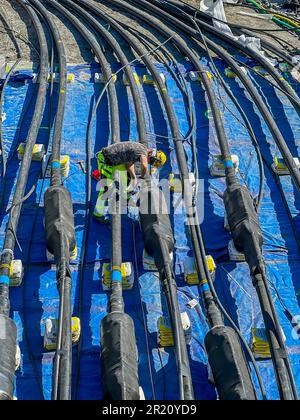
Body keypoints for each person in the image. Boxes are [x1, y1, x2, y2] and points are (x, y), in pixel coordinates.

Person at [93, 141, 166, 222]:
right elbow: (144, 166)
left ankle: (125, 196)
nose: (149, 163)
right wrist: (142, 178)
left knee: (127, 177)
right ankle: (98, 214)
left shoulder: (139, 150)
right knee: (106, 190)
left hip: (117, 161)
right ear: (151, 155)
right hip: (106, 161)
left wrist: (134, 178)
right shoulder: (143, 153)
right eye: (151, 162)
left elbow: (128, 163)